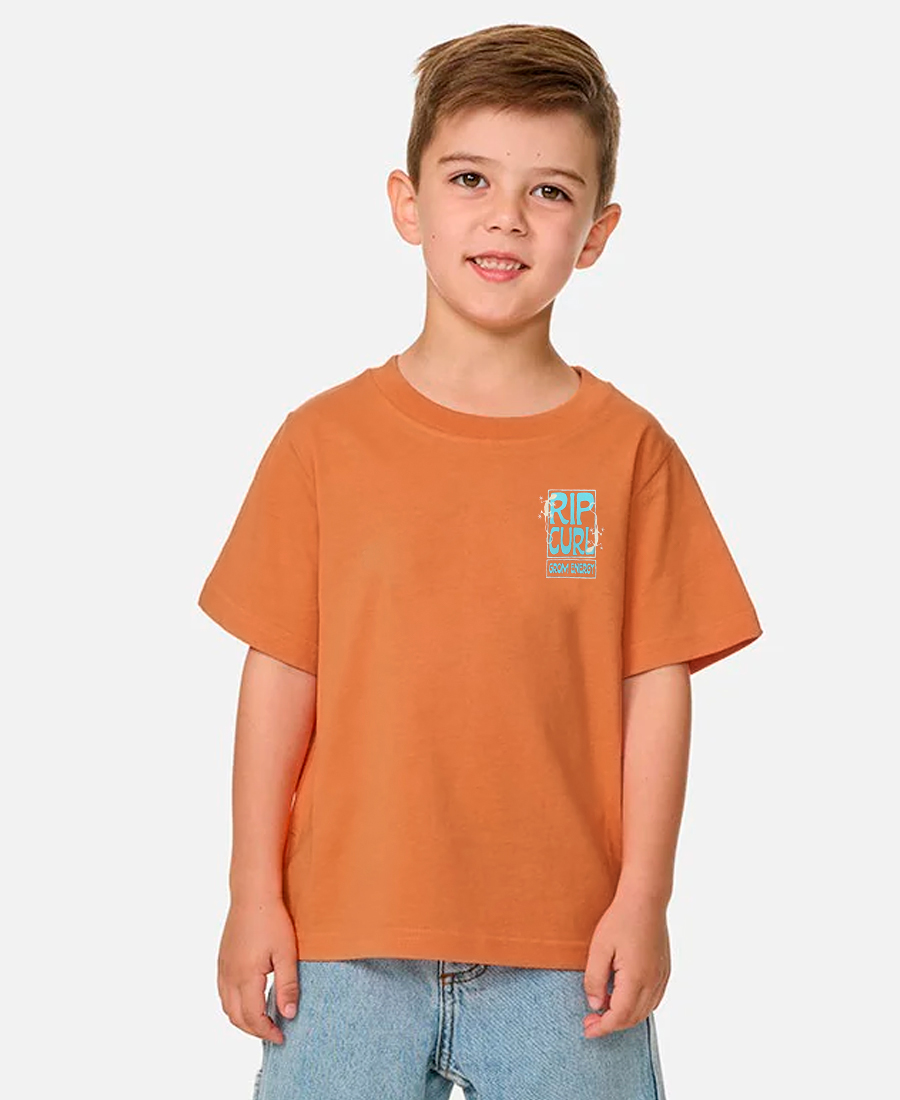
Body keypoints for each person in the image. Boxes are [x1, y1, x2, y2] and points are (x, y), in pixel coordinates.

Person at [197, 22, 763, 1100]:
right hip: (343, 945)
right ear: (407, 203)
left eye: (550, 191)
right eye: (470, 178)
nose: (507, 215)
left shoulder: (629, 452)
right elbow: (281, 675)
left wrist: (645, 897)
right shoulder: (322, 443)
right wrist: (251, 891)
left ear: (596, 233)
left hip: (569, 954)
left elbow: (658, 686)